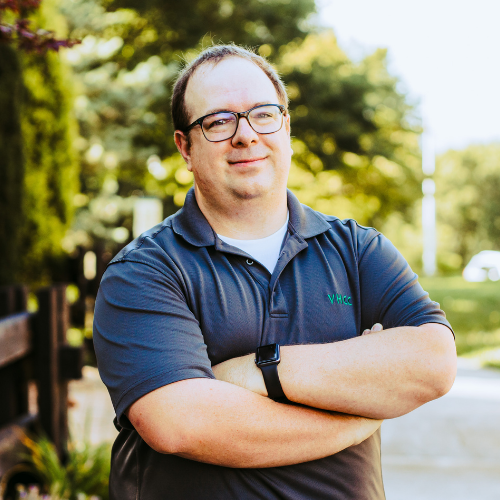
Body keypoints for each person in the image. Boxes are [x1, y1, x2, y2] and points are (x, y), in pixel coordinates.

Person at [93, 44, 457, 500]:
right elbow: (181, 423)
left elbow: (434, 363)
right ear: (185, 147)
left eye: (263, 114)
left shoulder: (357, 249)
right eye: (218, 121)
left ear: (285, 127)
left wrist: (261, 371)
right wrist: (359, 415)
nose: (245, 136)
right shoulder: (144, 271)